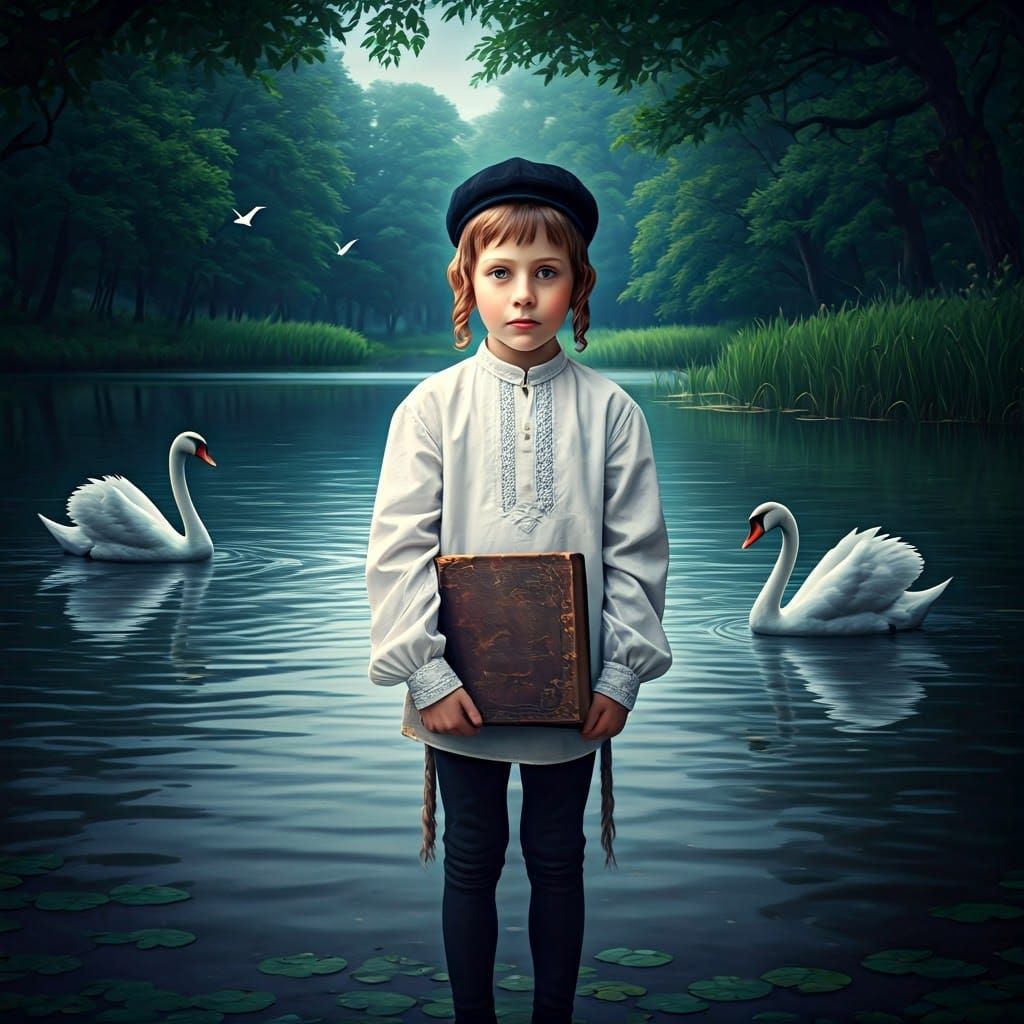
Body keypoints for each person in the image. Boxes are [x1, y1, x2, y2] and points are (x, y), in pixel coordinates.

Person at [365, 156, 672, 1024]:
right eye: (501, 273)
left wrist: (620, 675)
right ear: (469, 280)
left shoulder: (613, 410)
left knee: (556, 856)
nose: (524, 294)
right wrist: (427, 672)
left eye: (547, 272)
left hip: (573, 695)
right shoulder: (430, 407)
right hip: (456, 687)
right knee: (471, 856)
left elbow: (639, 553)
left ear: (579, 282)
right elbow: (397, 552)